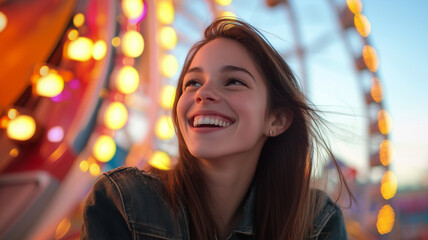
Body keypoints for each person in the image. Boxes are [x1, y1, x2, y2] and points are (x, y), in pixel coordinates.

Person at [81, 18, 350, 240]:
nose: (203, 93)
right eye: (193, 83)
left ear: (276, 120)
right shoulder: (124, 201)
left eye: (233, 81)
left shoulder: (316, 223)